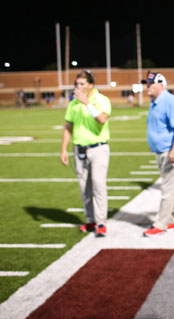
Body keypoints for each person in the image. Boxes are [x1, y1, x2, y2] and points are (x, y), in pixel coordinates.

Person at [60, 70, 111, 237]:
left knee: (98, 185)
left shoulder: (101, 100)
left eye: (82, 84)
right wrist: (64, 149)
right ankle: (91, 220)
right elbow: (68, 127)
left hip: (98, 149)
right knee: (85, 188)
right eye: (77, 84)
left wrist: (87, 103)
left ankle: (101, 222)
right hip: (79, 149)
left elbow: (102, 119)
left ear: (91, 85)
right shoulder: (73, 104)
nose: (78, 87)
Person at [141, 72, 174, 237]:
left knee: (167, 189)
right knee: (172, 187)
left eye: (150, 83)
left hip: (172, 150)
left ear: (161, 84)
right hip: (162, 150)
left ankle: (160, 224)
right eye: (147, 83)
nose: (147, 87)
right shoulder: (155, 101)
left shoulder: (169, 100)